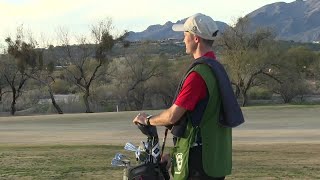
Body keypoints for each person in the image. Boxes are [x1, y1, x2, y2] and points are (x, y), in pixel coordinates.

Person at [133, 13, 243, 180]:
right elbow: (201, 121)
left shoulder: (199, 75)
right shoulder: (217, 69)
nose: (183, 40)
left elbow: (172, 116)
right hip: (214, 159)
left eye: (185, 35)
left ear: (196, 38)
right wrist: (175, 155)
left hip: (199, 165)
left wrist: (147, 120)